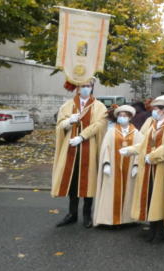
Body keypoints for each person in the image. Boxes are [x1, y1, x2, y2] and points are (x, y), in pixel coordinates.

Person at [124, 96, 164, 243]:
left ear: (163, 110)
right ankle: (153, 227)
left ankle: (161, 230)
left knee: (161, 198)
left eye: (155, 109)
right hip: (150, 168)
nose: (153, 112)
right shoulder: (154, 125)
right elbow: (145, 144)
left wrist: (152, 156)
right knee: (151, 197)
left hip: (163, 168)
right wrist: (130, 150)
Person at [52, 78, 108, 228]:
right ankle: (72, 214)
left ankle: (87, 214)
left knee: (88, 180)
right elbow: (59, 126)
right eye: (83, 86)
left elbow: (100, 124)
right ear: (77, 87)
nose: (85, 89)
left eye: (88, 86)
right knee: (72, 181)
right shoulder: (67, 105)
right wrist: (69, 121)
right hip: (70, 148)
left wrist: (82, 136)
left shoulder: (99, 106)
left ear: (92, 88)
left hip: (89, 147)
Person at [93, 105, 143, 227]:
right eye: (120, 116)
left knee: (129, 192)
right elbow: (106, 148)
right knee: (110, 192)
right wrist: (106, 163)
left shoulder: (136, 132)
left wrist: (136, 165)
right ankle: (109, 219)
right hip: (113, 169)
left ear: (130, 117)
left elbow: (140, 148)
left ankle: (127, 219)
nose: (122, 118)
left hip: (129, 168)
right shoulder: (111, 131)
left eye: (125, 116)